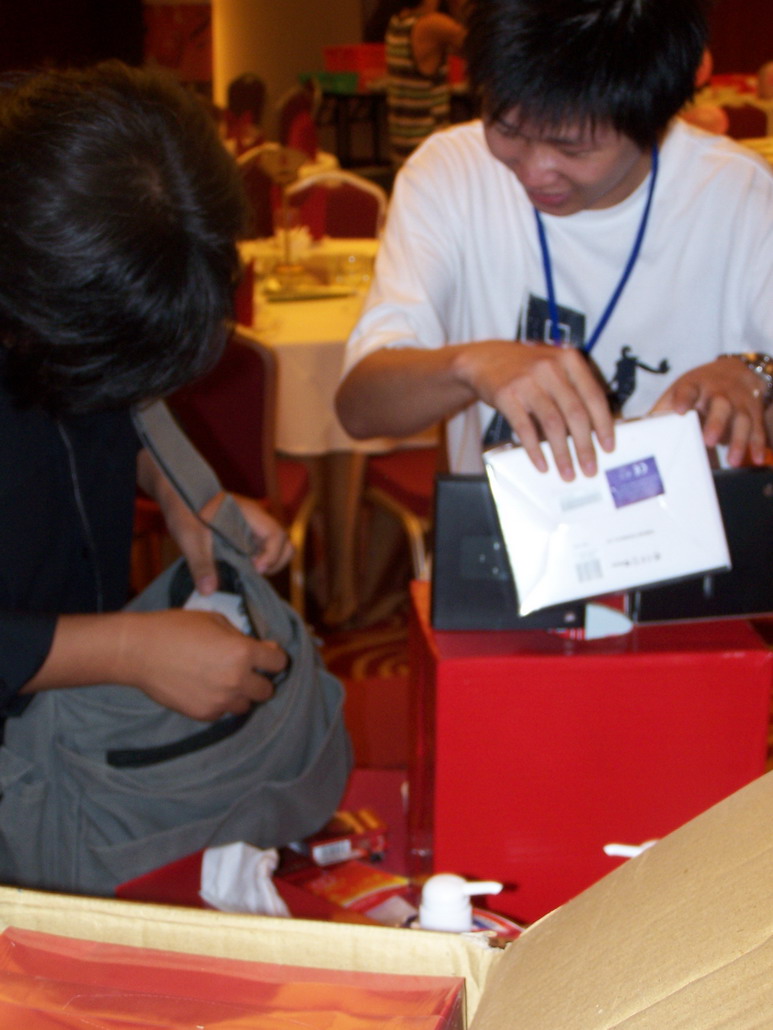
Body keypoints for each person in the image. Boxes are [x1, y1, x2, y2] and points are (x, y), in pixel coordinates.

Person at [337, 0, 773, 484]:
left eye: (573, 149)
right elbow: (360, 409)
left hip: (687, 526)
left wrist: (755, 378)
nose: (534, 171)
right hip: (502, 526)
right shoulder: (450, 172)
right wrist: (467, 366)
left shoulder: (740, 194)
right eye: (507, 130)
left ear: (654, 116)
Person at [0, 62, 293, 731]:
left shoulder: (67, 263)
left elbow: (104, 408)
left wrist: (182, 492)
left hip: (65, 723)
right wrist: (125, 650)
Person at [385, 0, 467, 166]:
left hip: (404, 147)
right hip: (429, 148)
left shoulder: (397, 23)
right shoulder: (432, 25)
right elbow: (484, 46)